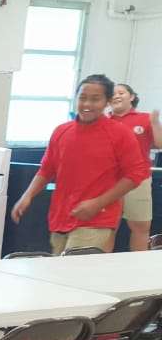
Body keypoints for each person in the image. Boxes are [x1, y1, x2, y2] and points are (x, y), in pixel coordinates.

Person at [11, 74, 151, 254]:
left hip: (97, 219)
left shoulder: (120, 134)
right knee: (59, 273)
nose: (87, 105)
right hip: (61, 217)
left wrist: (97, 203)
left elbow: (135, 174)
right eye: (83, 98)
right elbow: (47, 169)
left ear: (107, 102)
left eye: (95, 99)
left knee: (76, 272)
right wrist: (27, 196)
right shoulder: (62, 131)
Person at [108, 82, 161, 252]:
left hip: (138, 180)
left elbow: (160, 144)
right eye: (113, 94)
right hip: (108, 181)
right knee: (107, 226)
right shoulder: (103, 121)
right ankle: (100, 265)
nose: (117, 96)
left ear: (131, 97)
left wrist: (155, 123)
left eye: (121, 92)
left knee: (140, 225)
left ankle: (138, 267)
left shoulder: (144, 118)